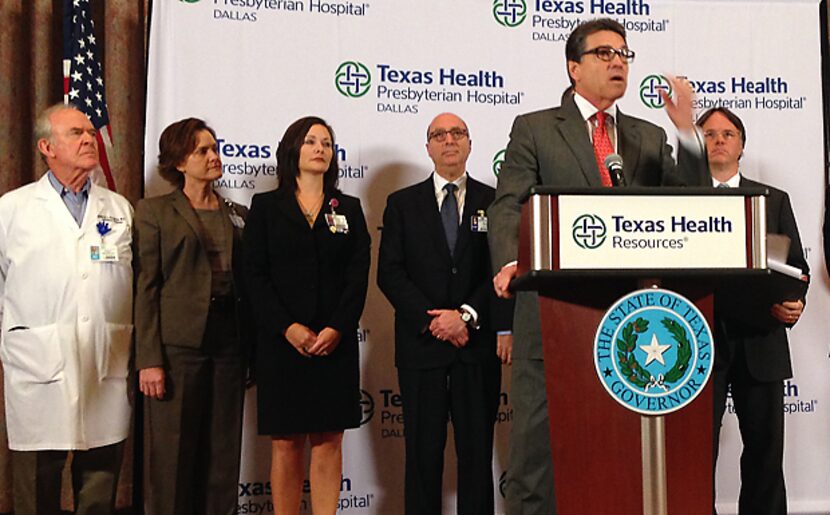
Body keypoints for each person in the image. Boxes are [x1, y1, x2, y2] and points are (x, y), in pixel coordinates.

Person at [486, 18, 709, 515]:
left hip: (632, 321)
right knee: (536, 459)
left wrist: (686, 131)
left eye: (625, 54)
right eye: (604, 53)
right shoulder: (536, 128)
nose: (617, 62)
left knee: (622, 457)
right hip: (551, 317)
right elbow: (508, 204)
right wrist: (509, 259)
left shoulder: (648, 136)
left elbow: (692, 203)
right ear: (574, 67)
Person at [0, 104, 133, 514]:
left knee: (99, 486)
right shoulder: (12, 209)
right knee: (37, 487)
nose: (88, 139)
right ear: (47, 146)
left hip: (104, 360)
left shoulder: (119, 208)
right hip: (38, 363)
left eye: (91, 132)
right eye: (76, 133)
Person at [377, 113, 513, 515]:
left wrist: (467, 316)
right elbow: (390, 273)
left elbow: (503, 269)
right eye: (440, 134)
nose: (449, 140)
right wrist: (435, 320)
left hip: (476, 347)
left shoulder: (496, 203)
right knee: (422, 457)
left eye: (458, 133)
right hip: (423, 348)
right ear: (428, 147)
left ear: (470, 144)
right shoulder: (402, 204)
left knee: (476, 457)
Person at [243, 116, 370, 514]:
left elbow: (358, 274)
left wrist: (337, 327)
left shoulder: (347, 207)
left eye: (327, 143)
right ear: (293, 150)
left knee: (329, 440)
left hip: (335, 342)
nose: (320, 148)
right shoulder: (265, 208)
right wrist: (288, 327)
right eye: (311, 141)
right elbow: (254, 276)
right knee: (286, 443)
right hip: (283, 345)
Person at [133, 117, 250, 514]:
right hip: (178, 346)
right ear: (179, 162)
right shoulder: (154, 212)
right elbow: (146, 288)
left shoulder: (239, 213)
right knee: (174, 453)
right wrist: (149, 359)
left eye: (215, 148)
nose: (214, 157)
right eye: (202, 150)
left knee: (223, 450)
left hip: (230, 344)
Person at [698, 107, 808, 515]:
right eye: (709, 134)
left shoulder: (772, 200)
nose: (719, 140)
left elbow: (796, 268)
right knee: (694, 455)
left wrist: (796, 302)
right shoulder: (679, 200)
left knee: (765, 453)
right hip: (699, 344)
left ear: (742, 144)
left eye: (728, 133)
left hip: (761, 341)